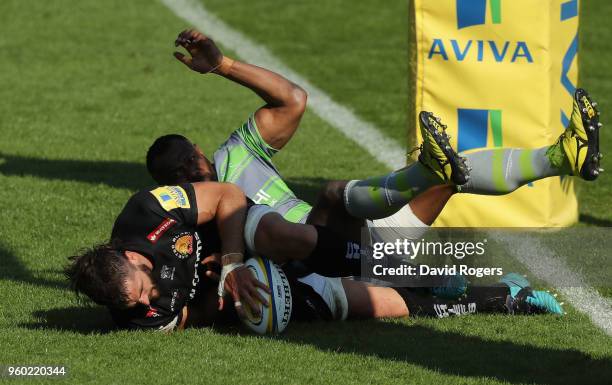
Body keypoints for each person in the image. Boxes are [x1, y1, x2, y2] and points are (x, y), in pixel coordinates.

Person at [67, 29, 590, 331]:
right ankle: (499, 293)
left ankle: (557, 156)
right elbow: (200, 301)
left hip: (352, 241)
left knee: (342, 194)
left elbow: (293, 99)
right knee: (399, 297)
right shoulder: (187, 235)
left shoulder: (236, 155)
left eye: (188, 163)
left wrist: (222, 64)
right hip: (315, 268)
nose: (190, 174)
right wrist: (230, 286)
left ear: (200, 154)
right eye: (177, 175)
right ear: (171, 190)